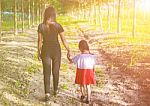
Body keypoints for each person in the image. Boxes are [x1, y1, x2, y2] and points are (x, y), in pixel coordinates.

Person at [37, 6, 70, 101]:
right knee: (56, 71)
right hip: (56, 50)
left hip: (45, 50)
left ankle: (47, 93)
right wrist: (68, 49)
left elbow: (39, 41)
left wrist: (38, 52)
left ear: (45, 15)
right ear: (54, 15)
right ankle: (55, 90)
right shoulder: (58, 25)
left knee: (46, 72)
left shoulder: (41, 26)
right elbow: (63, 39)